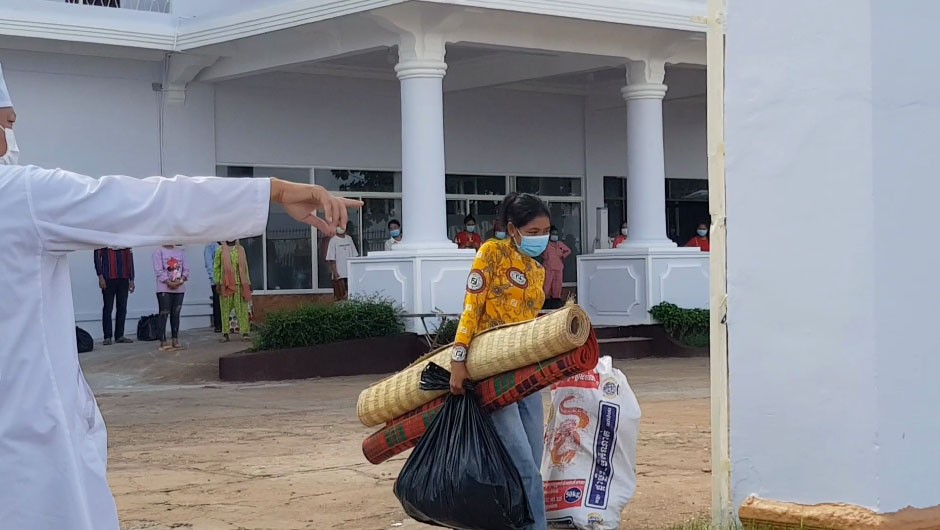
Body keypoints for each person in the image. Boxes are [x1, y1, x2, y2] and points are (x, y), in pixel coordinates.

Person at [0, 63, 363, 530]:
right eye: (8, 122)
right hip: (32, 454)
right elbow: (152, 204)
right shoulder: (20, 196)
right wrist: (275, 192)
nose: (12, 135)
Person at [450, 192, 551, 530]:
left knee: (533, 465)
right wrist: (459, 360)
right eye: (533, 232)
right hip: (494, 373)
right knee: (523, 466)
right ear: (512, 229)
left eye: (545, 232)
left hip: (528, 376)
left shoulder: (537, 271)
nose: (541, 238)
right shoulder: (491, 253)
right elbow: (471, 308)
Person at [93, 246, 135, 345]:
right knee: (108, 308)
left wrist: (132, 279)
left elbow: (130, 259)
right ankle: (107, 336)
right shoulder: (102, 241)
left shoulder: (125, 241)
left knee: (122, 307)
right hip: (108, 278)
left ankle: (119, 335)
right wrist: (100, 277)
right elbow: (97, 258)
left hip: (123, 277)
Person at [152, 244, 189, 352]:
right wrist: (168, 282)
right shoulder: (158, 251)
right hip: (164, 288)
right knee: (164, 313)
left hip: (179, 288)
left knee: (176, 313)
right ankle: (163, 341)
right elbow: (158, 271)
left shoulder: (181, 251)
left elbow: (186, 270)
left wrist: (180, 280)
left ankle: (175, 339)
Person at [215, 240, 252, 342]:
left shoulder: (241, 249)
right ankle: (225, 333)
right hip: (225, 284)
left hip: (240, 284)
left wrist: (248, 282)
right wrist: (217, 282)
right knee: (225, 310)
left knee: (242, 309)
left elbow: (245, 267)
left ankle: (245, 332)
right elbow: (216, 267)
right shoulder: (220, 250)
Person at [326, 226, 359, 300]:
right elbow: (332, 259)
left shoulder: (349, 239)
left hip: (350, 272)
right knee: (340, 296)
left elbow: (354, 255)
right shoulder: (333, 241)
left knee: (351, 295)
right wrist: (335, 272)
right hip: (339, 274)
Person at [542, 226, 571, 304]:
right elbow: (540, 253)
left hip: (558, 268)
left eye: (556, 234)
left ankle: (556, 300)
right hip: (548, 268)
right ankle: (545, 300)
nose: (555, 235)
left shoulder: (559, 244)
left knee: (557, 285)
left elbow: (568, 251)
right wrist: (545, 257)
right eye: (553, 234)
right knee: (547, 285)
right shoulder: (546, 244)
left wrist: (562, 255)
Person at [204, 241, 222, 332]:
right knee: (217, 302)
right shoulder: (210, 245)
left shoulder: (226, 243)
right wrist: (215, 279)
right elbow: (209, 263)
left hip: (228, 280)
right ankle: (218, 325)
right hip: (216, 280)